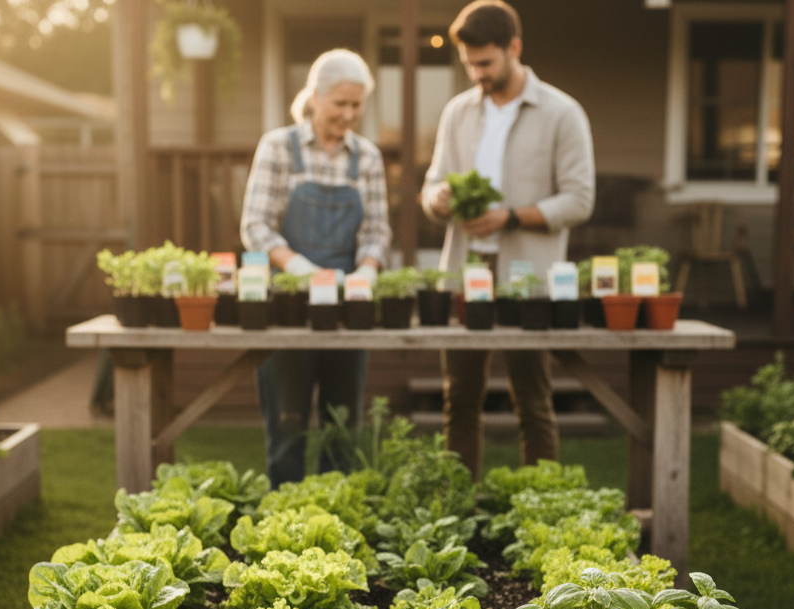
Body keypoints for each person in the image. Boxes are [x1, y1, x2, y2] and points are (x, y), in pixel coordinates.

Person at [421, 0, 595, 480]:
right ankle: (458, 505)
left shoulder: (561, 113)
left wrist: (510, 218)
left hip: (527, 278)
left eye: (485, 63)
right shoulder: (458, 113)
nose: (476, 73)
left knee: (533, 401)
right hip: (466, 272)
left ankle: (540, 500)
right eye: (469, 64)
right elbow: (432, 184)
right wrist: (438, 199)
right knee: (460, 398)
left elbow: (580, 200)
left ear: (514, 48)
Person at [240, 48, 390, 488]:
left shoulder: (367, 157)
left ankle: (335, 510)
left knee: (342, 422)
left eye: (357, 105)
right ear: (314, 97)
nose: (349, 114)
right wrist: (300, 268)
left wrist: (366, 271)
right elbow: (255, 225)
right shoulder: (279, 148)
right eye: (340, 103)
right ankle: (284, 509)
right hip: (289, 303)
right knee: (288, 422)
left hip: (347, 306)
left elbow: (376, 230)